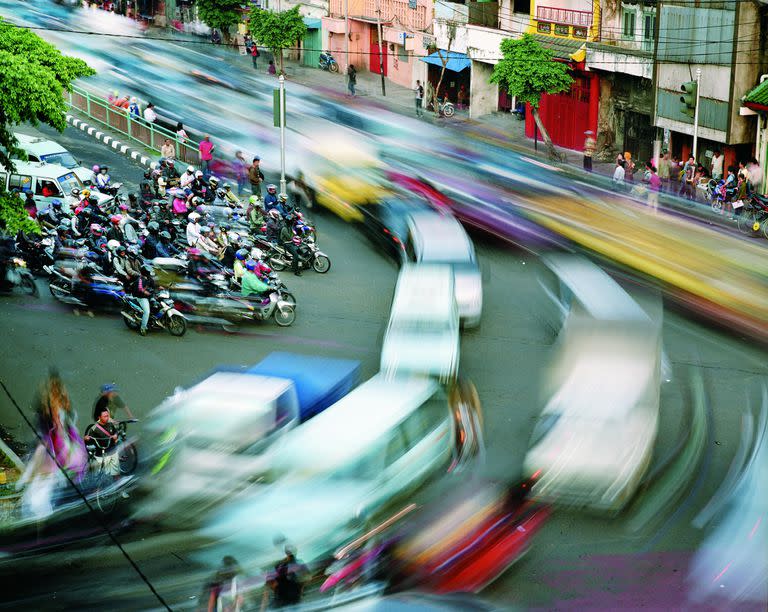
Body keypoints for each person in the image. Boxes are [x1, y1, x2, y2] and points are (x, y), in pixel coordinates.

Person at [17, 372, 88, 519]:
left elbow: (67, 424)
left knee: (64, 466)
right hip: (51, 445)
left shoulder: (63, 411)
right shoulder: (46, 417)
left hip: (59, 444)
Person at [83, 406, 120, 480]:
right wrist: (86, 438)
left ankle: (119, 487)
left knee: (116, 472)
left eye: (108, 416)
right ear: (99, 417)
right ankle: (97, 489)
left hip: (112, 450)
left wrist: (115, 435)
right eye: (105, 416)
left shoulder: (110, 424)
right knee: (99, 474)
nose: (107, 418)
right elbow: (87, 437)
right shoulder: (94, 428)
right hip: (100, 453)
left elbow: (115, 432)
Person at [129, 264, 155, 336]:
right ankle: (143, 328)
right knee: (146, 312)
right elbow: (140, 289)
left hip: (148, 296)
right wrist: (146, 293)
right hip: (141, 297)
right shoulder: (140, 280)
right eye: (149, 272)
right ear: (146, 273)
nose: (150, 273)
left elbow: (154, 285)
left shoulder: (149, 278)